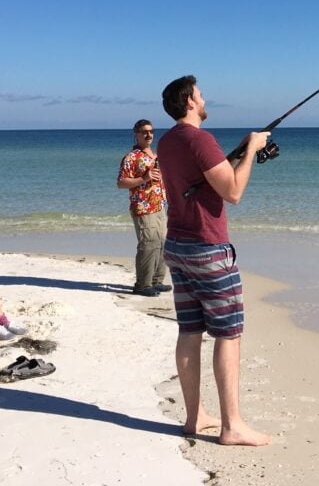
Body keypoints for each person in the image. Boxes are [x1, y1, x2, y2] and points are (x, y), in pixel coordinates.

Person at [157, 75, 272, 446]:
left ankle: (194, 418)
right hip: (208, 248)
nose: (206, 99)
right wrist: (252, 149)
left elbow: (205, 177)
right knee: (228, 334)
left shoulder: (168, 140)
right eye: (201, 94)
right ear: (189, 100)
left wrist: (236, 152)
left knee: (189, 330)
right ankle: (232, 425)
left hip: (177, 245)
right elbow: (233, 192)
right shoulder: (200, 139)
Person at [116, 119, 171, 296]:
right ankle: (142, 285)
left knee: (163, 243)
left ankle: (156, 280)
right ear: (136, 134)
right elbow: (121, 182)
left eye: (151, 131)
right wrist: (143, 179)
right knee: (148, 244)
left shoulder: (155, 155)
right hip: (143, 206)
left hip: (160, 205)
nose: (149, 135)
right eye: (144, 132)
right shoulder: (132, 157)